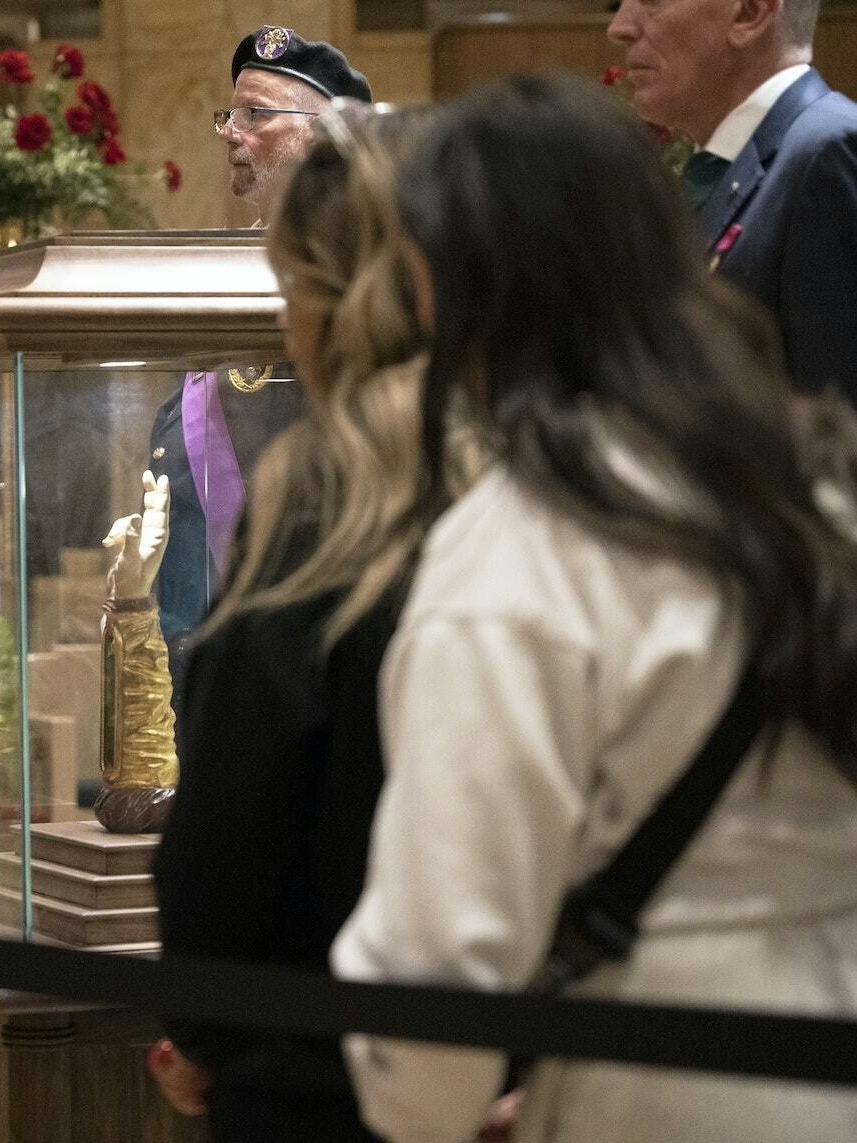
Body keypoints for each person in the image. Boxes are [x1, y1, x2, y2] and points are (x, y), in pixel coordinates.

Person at [331, 75, 857, 1143]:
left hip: (661, 1091)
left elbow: (438, 964)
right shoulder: (819, 476)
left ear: (457, 286)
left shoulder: (520, 550)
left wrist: (429, 1104)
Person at [150, 103, 479, 1141]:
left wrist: (203, 1031)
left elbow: (233, 818)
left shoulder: (325, 505)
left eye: (292, 287)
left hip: (327, 1057)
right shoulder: (575, 469)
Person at [150, 25, 372, 690]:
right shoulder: (225, 266)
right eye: (230, 113)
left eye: (257, 114)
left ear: (326, 133)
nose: (229, 130)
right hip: (206, 607)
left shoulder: (362, 271)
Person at [609, 0, 857, 403]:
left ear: (749, 14)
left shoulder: (828, 150)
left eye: (650, 2)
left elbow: (838, 423)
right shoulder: (729, 160)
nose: (619, 27)